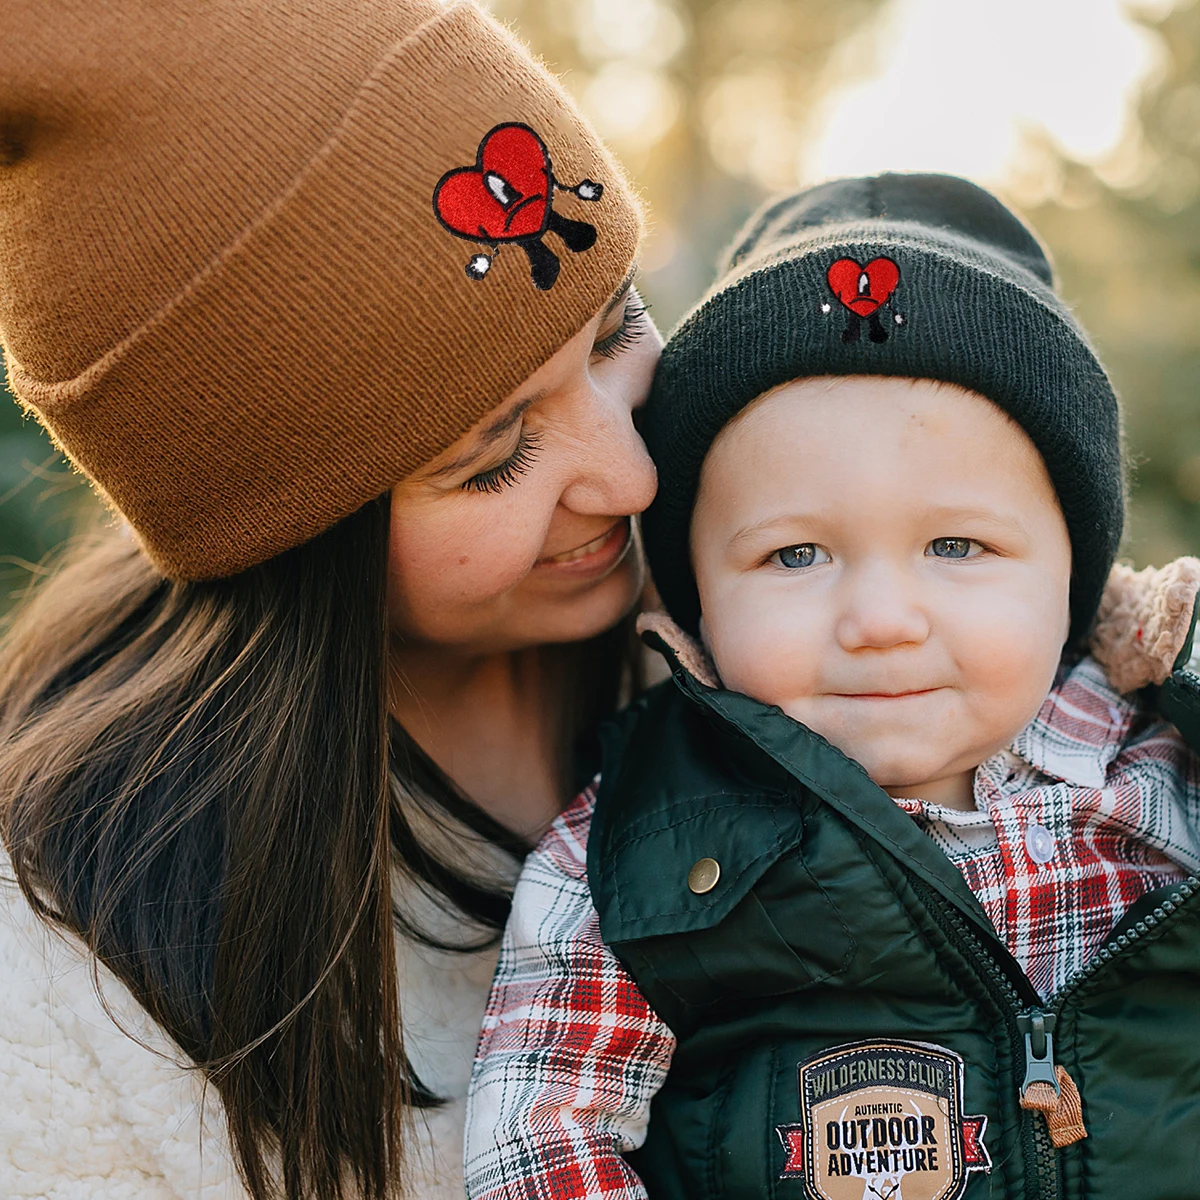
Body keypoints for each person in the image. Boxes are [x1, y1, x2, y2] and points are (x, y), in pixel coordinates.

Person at [0, 2, 660, 1198]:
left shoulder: (797, 623)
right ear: (298, 542)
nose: (632, 476)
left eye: (619, 326)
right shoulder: (59, 1015)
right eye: (496, 453)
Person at [464, 174, 1200, 1200]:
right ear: (699, 602)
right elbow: (539, 1140)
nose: (882, 619)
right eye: (797, 556)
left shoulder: (1171, 772)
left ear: (1070, 572)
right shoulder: (634, 843)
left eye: (957, 544)